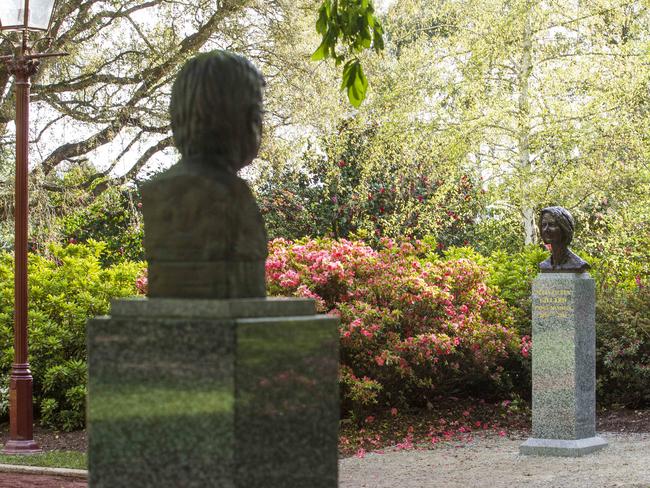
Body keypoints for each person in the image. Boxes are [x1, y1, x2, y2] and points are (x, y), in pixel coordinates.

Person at [140, 51, 268, 298]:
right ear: (232, 116)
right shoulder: (227, 197)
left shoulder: (163, 191)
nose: (259, 124)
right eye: (257, 113)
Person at [538, 206, 589, 273]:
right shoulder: (545, 265)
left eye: (552, 224)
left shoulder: (578, 264)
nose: (546, 229)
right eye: (544, 225)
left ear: (564, 228)